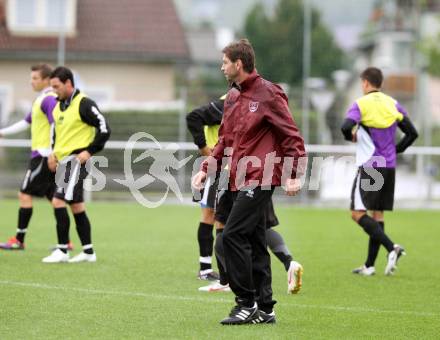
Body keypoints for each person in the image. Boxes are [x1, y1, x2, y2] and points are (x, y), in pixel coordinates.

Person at [192, 39, 306, 325]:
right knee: (255, 243)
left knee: (230, 237)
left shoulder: (269, 93)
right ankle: (266, 309)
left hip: (262, 177)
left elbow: (291, 137)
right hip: (235, 178)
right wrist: (207, 167)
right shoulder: (231, 97)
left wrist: (294, 174)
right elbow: (225, 140)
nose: (221, 67)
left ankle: (246, 303)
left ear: (238, 64)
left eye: (225, 62)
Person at [188, 97, 303, 294]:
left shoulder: (234, 100)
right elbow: (288, 138)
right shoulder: (267, 101)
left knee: (224, 228)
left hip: (231, 174)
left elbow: (200, 122)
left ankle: (226, 280)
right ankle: (288, 263)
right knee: (261, 227)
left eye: (226, 64)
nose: (224, 68)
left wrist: (207, 156)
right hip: (262, 175)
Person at [341, 67, 418, 276]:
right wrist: (396, 150)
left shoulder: (361, 104)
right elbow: (412, 133)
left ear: (365, 83)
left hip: (370, 166)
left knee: (356, 213)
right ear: (380, 83)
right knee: (378, 215)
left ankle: (392, 247)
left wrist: (352, 136)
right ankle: (369, 265)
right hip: (388, 167)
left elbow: (345, 126)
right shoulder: (393, 104)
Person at [41, 66, 110, 263]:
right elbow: (56, 133)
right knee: (77, 205)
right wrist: (53, 154)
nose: (54, 90)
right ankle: (88, 252)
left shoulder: (84, 104)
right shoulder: (57, 105)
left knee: (58, 200)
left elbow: (105, 128)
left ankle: (62, 250)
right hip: (62, 161)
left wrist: (89, 151)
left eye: (56, 86)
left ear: (69, 83)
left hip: (77, 161)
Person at [0, 64, 72, 251]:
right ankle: (67, 242)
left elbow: (56, 125)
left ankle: (19, 240)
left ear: (47, 80)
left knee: (24, 194)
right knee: (54, 198)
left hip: (43, 156)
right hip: (44, 156)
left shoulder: (49, 99)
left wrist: (52, 152)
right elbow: (26, 122)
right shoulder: (41, 99)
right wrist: (3, 132)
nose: (31, 82)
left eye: (35, 78)